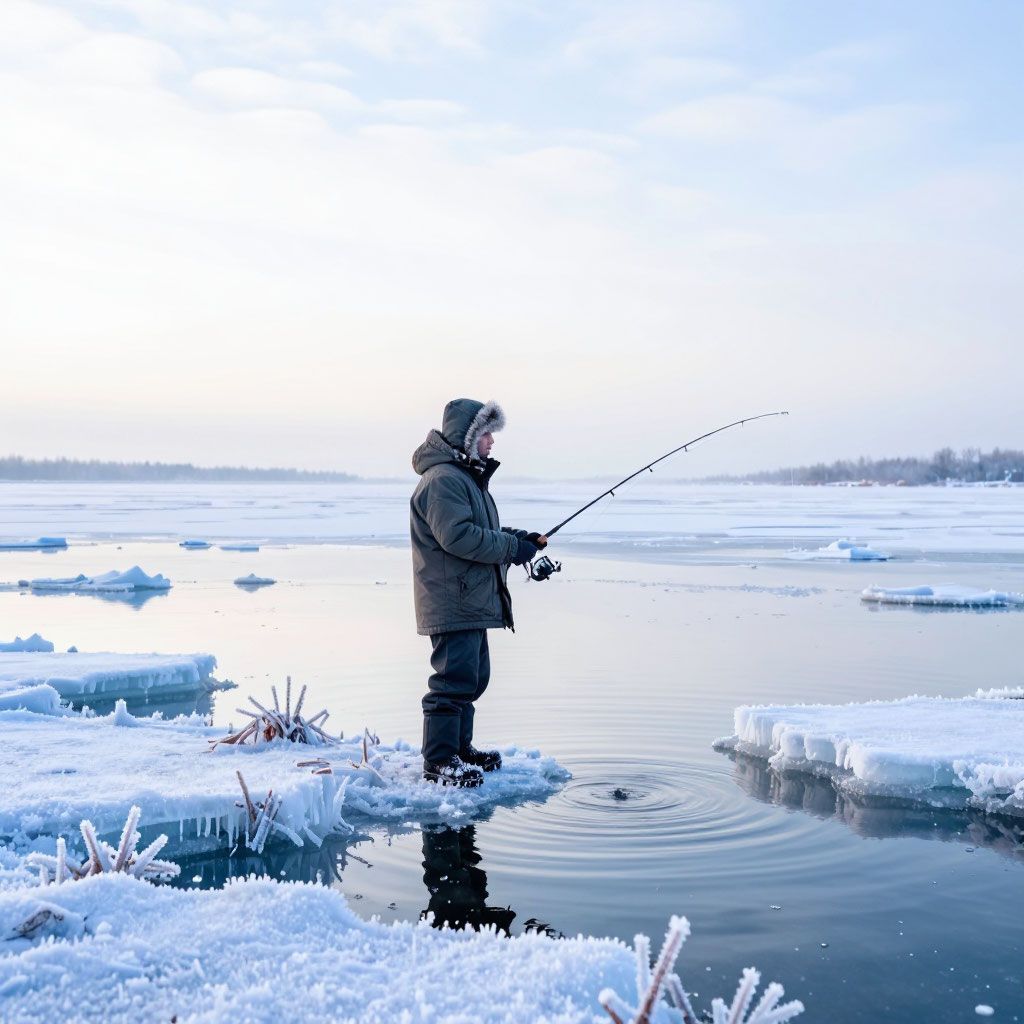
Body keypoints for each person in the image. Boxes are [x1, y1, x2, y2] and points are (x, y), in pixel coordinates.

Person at [410, 398, 547, 787]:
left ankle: (458, 749)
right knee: (452, 681)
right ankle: (439, 761)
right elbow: (457, 537)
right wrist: (508, 548)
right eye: (486, 434)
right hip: (452, 599)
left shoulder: (465, 479)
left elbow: (477, 533)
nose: (491, 442)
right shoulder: (444, 480)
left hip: (468, 597)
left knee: (472, 678)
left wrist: (517, 541)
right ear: (466, 437)